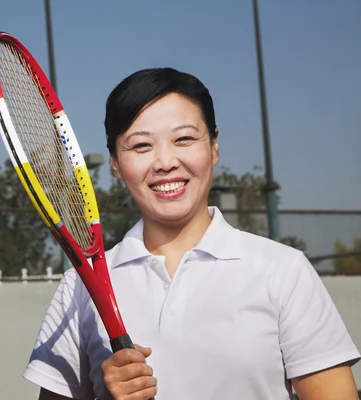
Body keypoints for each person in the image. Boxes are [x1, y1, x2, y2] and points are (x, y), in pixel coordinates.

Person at [22, 67, 360, 399]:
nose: (165, 161)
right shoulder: (79, 288)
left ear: (214, 147)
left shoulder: (283, 270)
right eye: (141, 146)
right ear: (114, 163)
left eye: (184, 138)